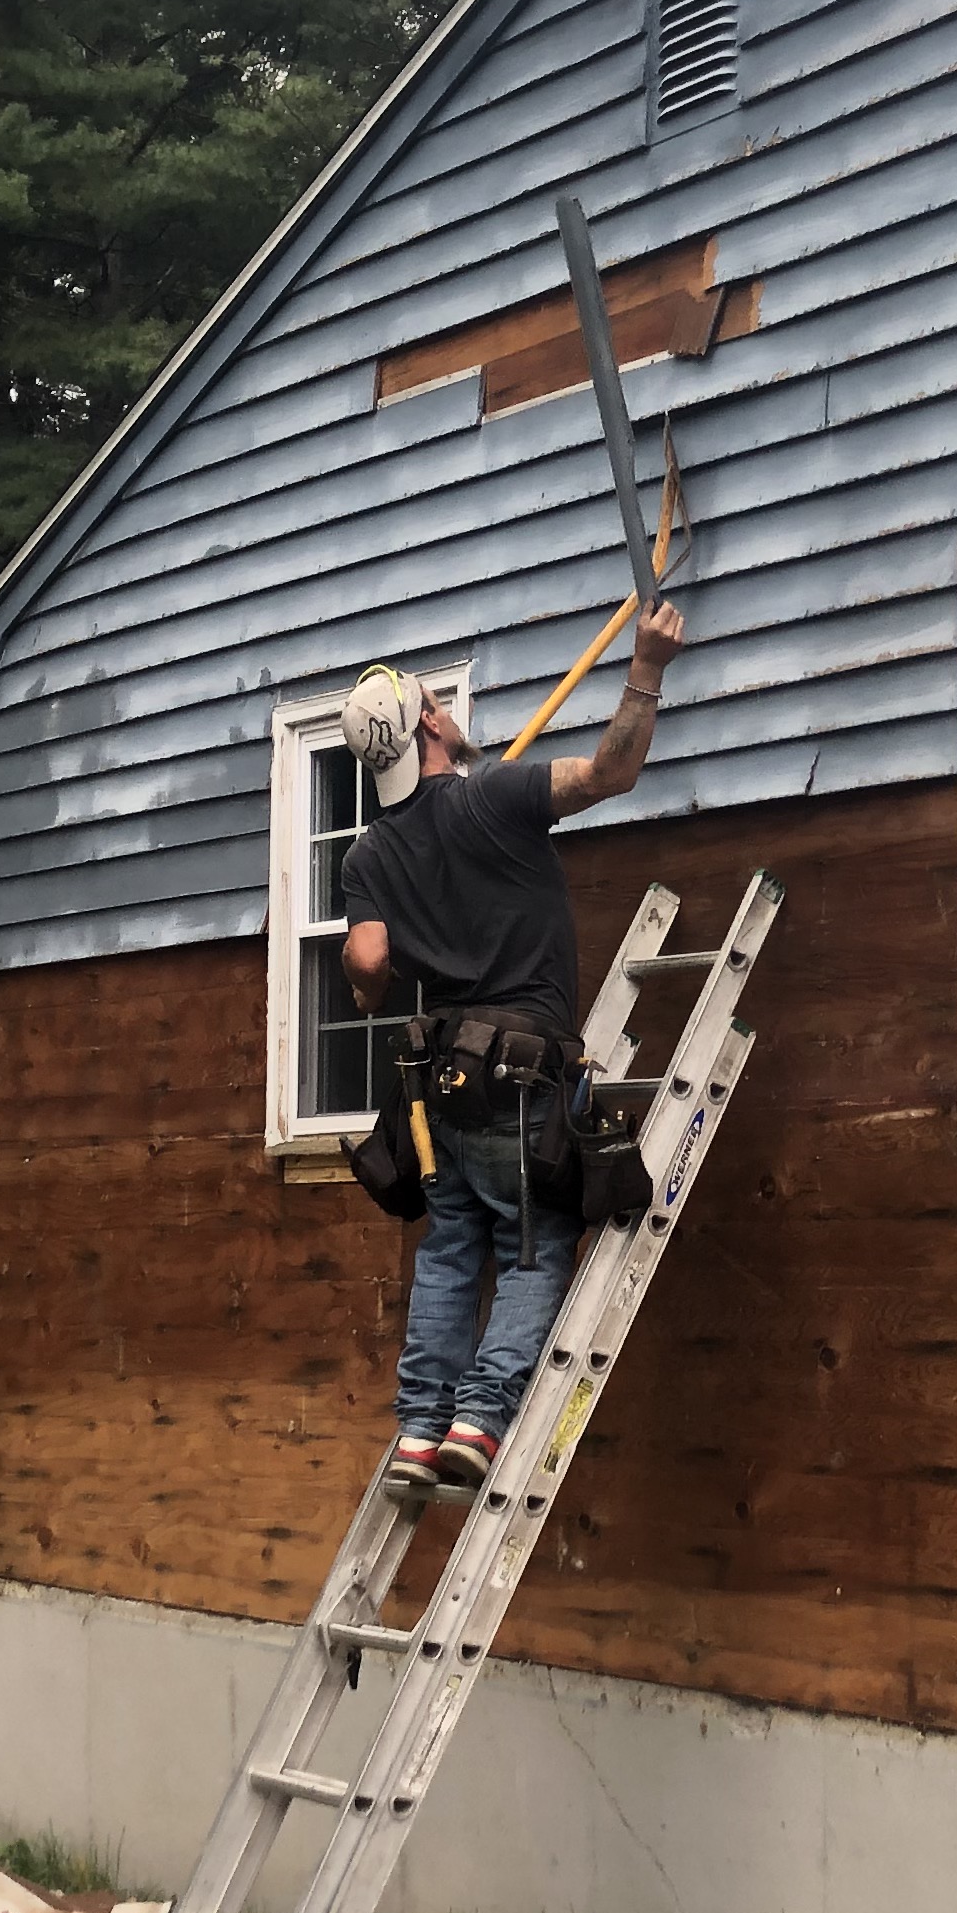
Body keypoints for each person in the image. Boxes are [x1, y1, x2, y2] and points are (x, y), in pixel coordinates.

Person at [336, 599, 686, 1500]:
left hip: (439, 1084)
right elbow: (613, 771)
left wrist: (372, 978)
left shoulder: (370, 854)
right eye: (436, 708)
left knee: (454, 1243)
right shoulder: (497, 797)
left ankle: (419, 1432)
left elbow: (368, 960)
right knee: (534, 1242)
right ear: (429, 723)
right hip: (522, 1076)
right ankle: (481, 1421)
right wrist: (645, 664)